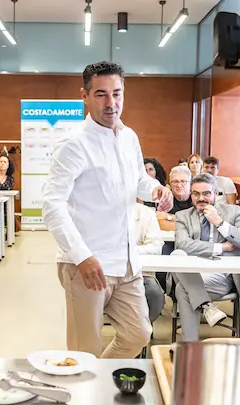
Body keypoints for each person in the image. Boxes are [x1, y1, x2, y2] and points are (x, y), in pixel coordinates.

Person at [43, 60, 173, 358]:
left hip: (127, 261)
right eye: (101, 94)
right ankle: (86, 399)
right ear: (85, 96)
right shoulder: (73, 144)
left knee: (139, 334)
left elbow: (138, 179)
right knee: (83, 350)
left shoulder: (129, 137)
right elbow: (52, 205)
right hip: (87, 264)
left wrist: (155, 190)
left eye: (117, 93)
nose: (111, 102)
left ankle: (97, 380)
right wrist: (82, 257)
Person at [171, 173, 240, 342]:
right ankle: (207, 307)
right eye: (196, 194)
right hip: (192, 272)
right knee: (177, 254)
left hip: (222, 276)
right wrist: (220, 247)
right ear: (191, 195)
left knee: (182, 289)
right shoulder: (183, 216)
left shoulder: (233, 212)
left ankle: (189, 346)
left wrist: (219, 223)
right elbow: (183, 244)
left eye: (206, 193)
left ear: (216, 193)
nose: (201, 198)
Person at [133, 203, 165, 323]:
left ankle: (142, 328)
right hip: (106, 271)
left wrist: (129, 251)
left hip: (141, 272)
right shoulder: (99, 211)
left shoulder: (145, 213)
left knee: (154, 294)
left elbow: (156, 247)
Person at [155, 165, 194, 231]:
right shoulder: (165, 199)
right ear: (170, 184)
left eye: (183, 181)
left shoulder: (197, 198)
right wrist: (187, 224)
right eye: (175, 182)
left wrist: (169, 217)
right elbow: (159, 222)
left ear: (190, 183)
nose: (179, 185)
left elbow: (198, 223)